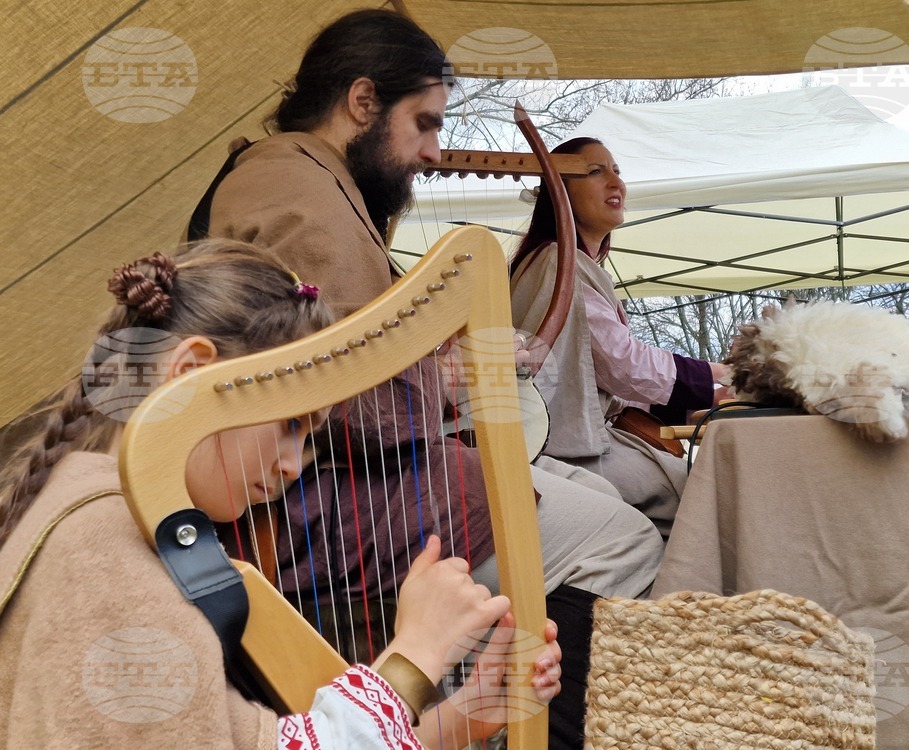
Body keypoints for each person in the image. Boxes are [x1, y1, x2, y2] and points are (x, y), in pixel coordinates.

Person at [195, 10, 664, 747]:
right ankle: (529, 724)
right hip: (308, 509)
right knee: (625, 538)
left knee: (593, 491)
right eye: (422, 123)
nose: (432, 152)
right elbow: (357, 399)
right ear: (361, 102)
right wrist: (449, 376)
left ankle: (481, 690)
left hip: (327, 485)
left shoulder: (298, 176)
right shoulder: (300, 195)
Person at [0, 242, 561, 749]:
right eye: (289, 424)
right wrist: (415, 654)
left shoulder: (100, 518)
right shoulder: (107, 562)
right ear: (190, 376)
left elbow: (250, 738)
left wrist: (463, 717)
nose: (293, 465)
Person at [509, 138, 731, 540]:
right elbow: (623, 364)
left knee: (706, 489)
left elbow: (605, 379)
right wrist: (719, 375)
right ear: (558, 192)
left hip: (583, 441)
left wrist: (711, 394)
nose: (616, 183)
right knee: (708, 499)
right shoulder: (558, 263)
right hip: (566, 451)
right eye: (596, 172)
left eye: (617, 171)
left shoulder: (565, 262)